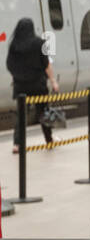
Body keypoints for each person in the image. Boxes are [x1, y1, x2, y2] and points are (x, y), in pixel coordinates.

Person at [7, 17, 56, 152]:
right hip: (38, 86)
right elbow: (47, 64)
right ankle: (49, 140)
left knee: (21, 117)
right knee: (44, 113)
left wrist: (18, 76)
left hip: (20, 87)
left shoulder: (13, 45)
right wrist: (53, 81)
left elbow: (9, 65)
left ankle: (17, 144)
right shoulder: (40, 43)